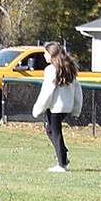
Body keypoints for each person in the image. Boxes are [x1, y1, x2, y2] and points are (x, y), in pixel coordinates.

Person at [32, 41, 82, 172]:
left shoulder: (51, 70)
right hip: (66, 107)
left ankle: (61, 164)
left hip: (55, 108)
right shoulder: (69, 68)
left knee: (55, 132)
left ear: (52, 54)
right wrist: (76, 108)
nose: (44, 55)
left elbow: (47, 92)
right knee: (50, 130)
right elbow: (78, 90)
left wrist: (38, 108)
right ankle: (63, 155)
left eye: (45, 53)